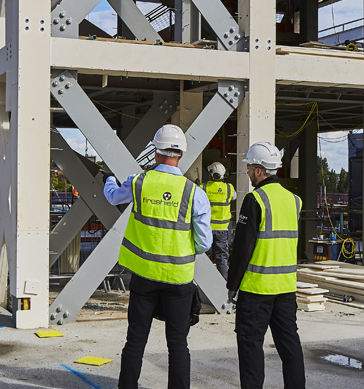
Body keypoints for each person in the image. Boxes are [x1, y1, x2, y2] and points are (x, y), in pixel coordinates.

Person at [104, 124, 211, 389]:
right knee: (177, 344)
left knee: (136, 339)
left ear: (155, 153)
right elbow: (205, 242)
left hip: (144, 278)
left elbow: (113, 197)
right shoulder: (194, 193)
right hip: (178, 280)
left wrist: (107, 177)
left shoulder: (139, 182)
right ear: (181, 154)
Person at [227, 142, 305, 389]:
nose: (248, 173)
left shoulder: (255, 200)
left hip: (257, 290)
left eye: (250, 168)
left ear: (259, 170)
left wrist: (232, 285)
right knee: (290, 345)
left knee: (251, 348)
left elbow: (242, 248)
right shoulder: (294, 201)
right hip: (285, 288)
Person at [202, 161, 235, 279]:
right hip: (222, 230)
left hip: (206, 230)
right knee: (222, 258)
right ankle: (223, 284)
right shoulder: (229, 188)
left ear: (211, 174)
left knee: (206, 257)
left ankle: (206, 282)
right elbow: (234, 196)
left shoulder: (203, 187)